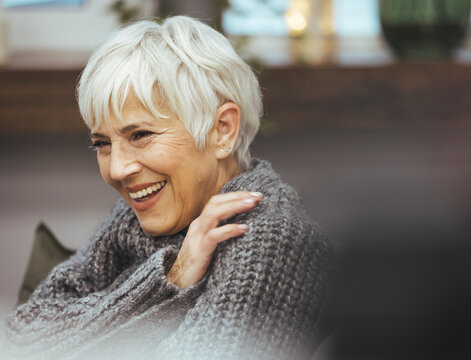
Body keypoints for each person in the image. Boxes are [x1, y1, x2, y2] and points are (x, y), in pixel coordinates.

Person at [4, 16, 331, 360]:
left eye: (140, 135)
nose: (117, 168)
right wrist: (170, 279)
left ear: (222, 130)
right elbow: (21, 339)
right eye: (102, 143)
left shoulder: (272, 238)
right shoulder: (131, 221)